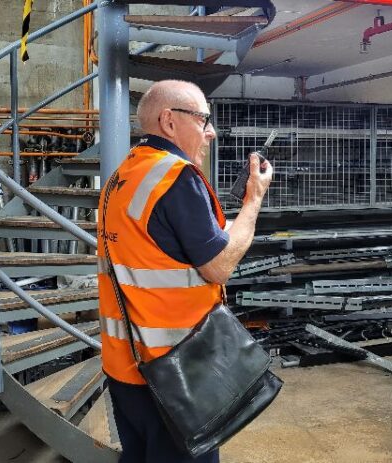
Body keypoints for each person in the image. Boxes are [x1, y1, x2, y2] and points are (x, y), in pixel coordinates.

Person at [97, 79, 273, 463]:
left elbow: (165, 251)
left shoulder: (122, 176)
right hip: (176, 374)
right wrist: (254, 200)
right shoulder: (175, 178)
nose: (210, 132)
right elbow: (219, 266)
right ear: (169, 121)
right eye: (203, 119)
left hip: (125, 367)